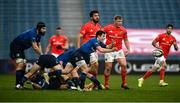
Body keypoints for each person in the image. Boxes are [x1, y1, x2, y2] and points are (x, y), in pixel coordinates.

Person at [9, 22, 46, 88]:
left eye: (45, 29)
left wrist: (41, 55)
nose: (45, 30)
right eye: (43, 29)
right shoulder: (33, 33)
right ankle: (18, 85)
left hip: (21, 49)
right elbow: (34, 47)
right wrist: (42, 55)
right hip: (16, 46)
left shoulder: (39, 35)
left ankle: (21, 85)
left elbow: (38, 45)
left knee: (24, 65)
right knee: (21, 64)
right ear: (39, 28)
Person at [103, 16, 130, 89]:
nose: (120, 23)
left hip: (119, 50)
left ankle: (124, 83)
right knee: (108, 67)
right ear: (114, 21)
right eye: (118, 21)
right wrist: (103, 45)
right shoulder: (107, 28)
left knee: (124, 65)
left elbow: (126, 40)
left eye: (121, 21)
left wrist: (128, 49)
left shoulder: (123, 30)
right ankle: (106, 84)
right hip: (109, 50)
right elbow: (100, 36)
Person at [77, 10, 101, 78]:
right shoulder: (86, 26)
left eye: (98, 15)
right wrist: (78, 47)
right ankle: (80, 75)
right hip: (87, 50)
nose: (97, 17)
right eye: (95, 16)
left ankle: (94, 84)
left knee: (95, 69)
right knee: (95, 65)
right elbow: (79, 36)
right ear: (91, 17)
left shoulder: (99, 27)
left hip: (94, 50)